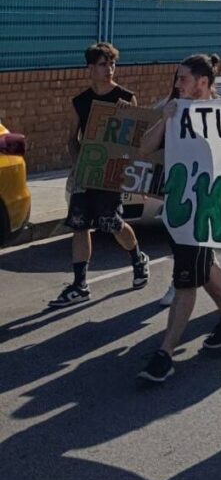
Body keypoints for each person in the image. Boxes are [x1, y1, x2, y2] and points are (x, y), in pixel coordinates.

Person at [137, 54, 221, 383]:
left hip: (206, 210)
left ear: (203, 81)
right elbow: (143, 149)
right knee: (202, 268)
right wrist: (165, 119)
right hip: (178, 208)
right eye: (177, 78)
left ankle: (165, 353)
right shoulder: (175, 111)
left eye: (183, 78)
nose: (177, 84)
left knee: (186, 279)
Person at [50, 42, 150, 307]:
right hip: (86, 173)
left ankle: (138, 259)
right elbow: (72, 138)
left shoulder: (126, 98)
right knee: (80, 225)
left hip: (112, 173)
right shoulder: (80, 102)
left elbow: (137, 138)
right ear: (90, 68)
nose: (109, 69)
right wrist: (77, 163)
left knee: (111, 223)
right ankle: (80, 284)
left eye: (112, 64)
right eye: (103, 64)